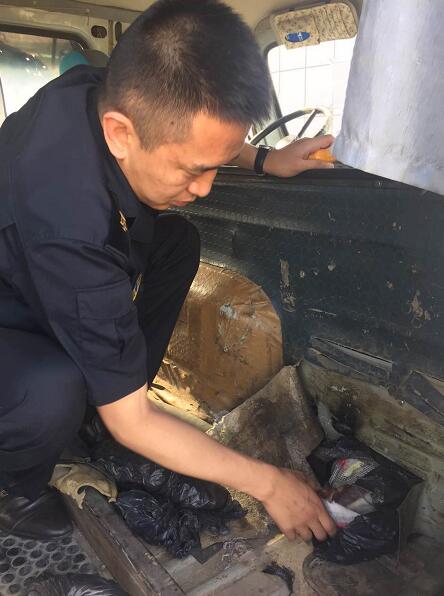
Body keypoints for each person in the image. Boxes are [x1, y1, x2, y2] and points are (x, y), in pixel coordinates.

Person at [0, 0, 336, 543]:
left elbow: (198, 131)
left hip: (38, 271)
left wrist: (262, 159)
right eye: (192, 170)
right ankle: (15, 488)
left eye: (214, 165)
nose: (204, 188)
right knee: (52, 389)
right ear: (120, 133)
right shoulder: (69, 220)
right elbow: (131, 422)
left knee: (177, 240)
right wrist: (271, 485)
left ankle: (114, 393)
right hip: (10, 312)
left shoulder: (109, 88)